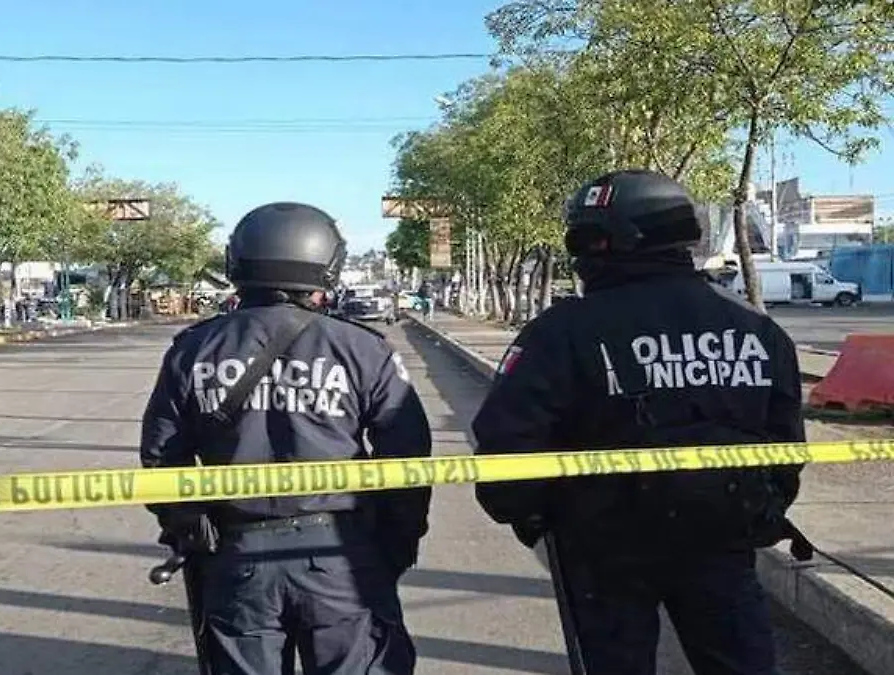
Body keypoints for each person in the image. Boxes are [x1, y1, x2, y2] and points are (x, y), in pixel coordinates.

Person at [470, 169, 805, 675]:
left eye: (587, 237)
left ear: (619, 240)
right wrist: (756, 510)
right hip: (722, 541)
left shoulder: (560, 332)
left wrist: (535, 517)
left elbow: (507, 442)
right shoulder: (757, 329)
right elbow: (786, 449)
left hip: (602, 551)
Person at [140, 201, 433, 675]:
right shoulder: (362, 348)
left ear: (237, 264)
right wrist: (397, 542)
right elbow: (408, 456)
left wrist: (188, 524)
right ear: (327, 268)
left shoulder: (195, 348)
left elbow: (161, 455)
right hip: (342, 555)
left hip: (236, 558)